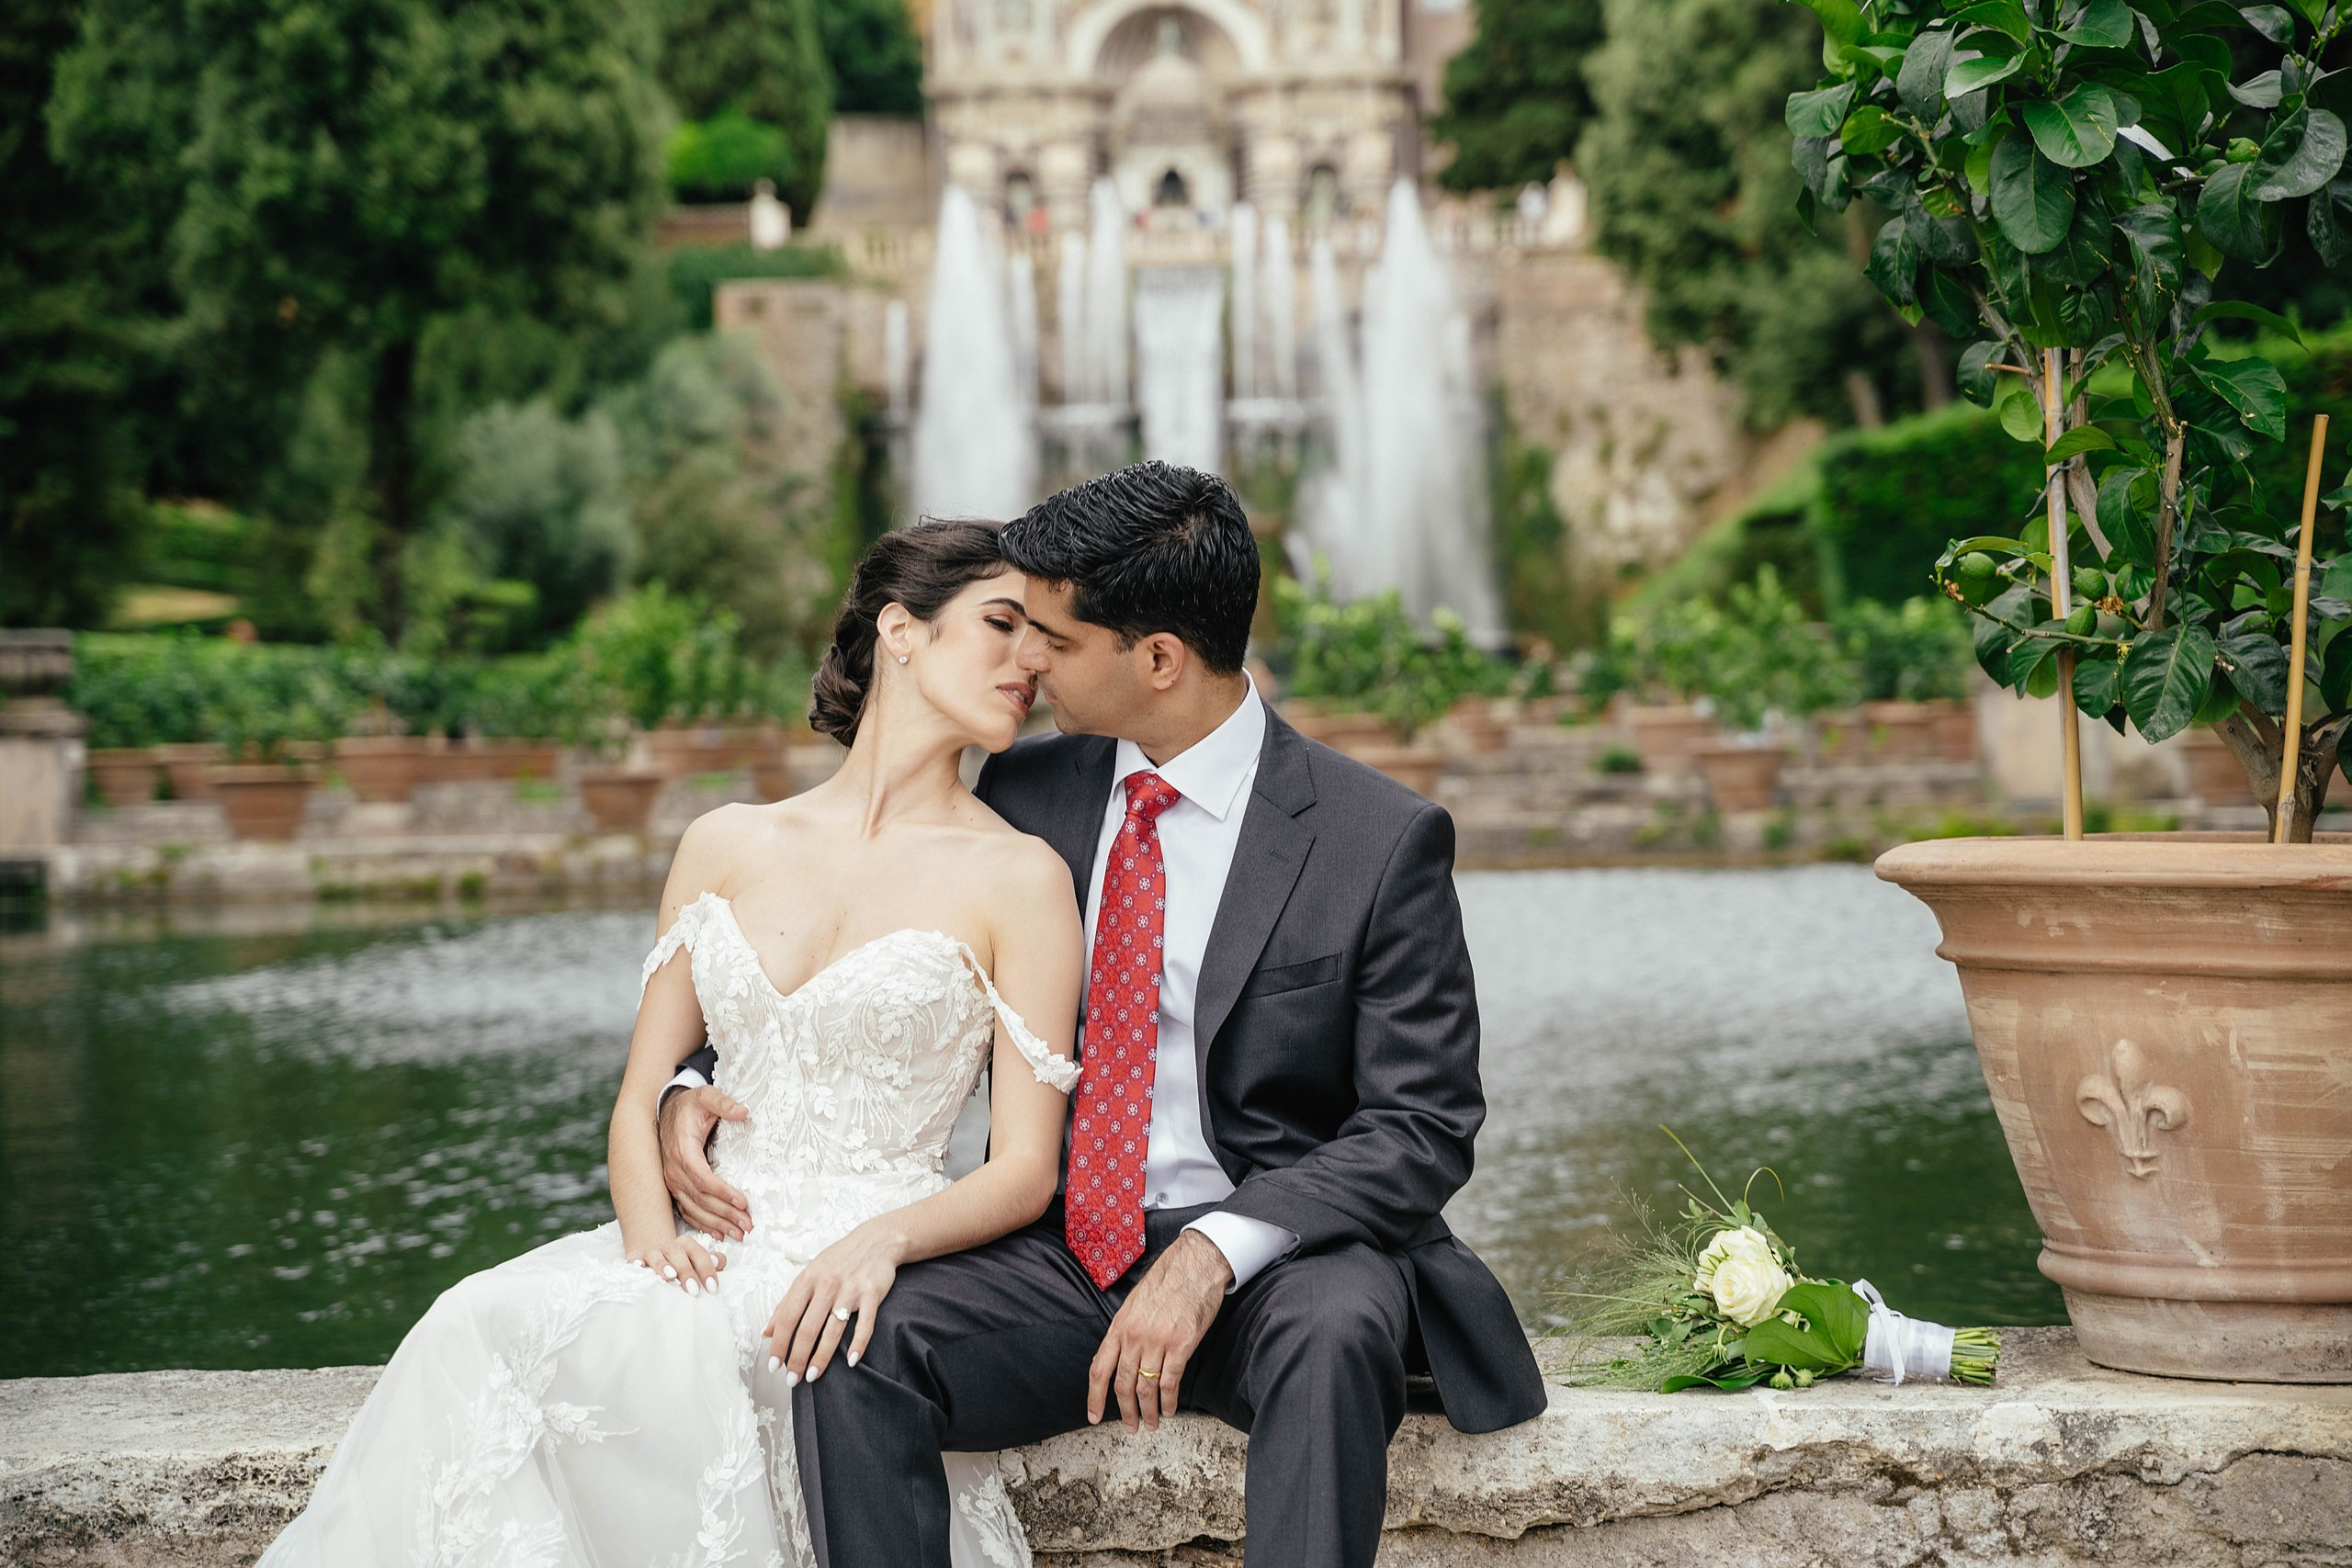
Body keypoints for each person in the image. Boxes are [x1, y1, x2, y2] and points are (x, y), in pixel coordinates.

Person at [662, 462, 1545, 1568]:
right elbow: (840, 942)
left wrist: (1214, 1252)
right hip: (1061, 1259)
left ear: (1160, 659)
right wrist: (687, 1084)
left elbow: (1420, 1128)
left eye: (1054, 639)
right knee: (851, 1345)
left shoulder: (1377, 841)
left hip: (1285, 1260)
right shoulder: (1024, 796)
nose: (1024, 660)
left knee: (1336, 1334)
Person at [256, 520, 1083, 1568]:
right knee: (481, 1321)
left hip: (870, 1250)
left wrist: (882, 1244)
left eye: (1042, 639)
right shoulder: (725, 842)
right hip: (699, 1233)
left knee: (769, 1348)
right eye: (1002, 625)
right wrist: (652, 1246)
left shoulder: (1021, 879)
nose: (1031, 662)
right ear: (900, 631)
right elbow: (643, 1092)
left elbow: (1022, 1167)